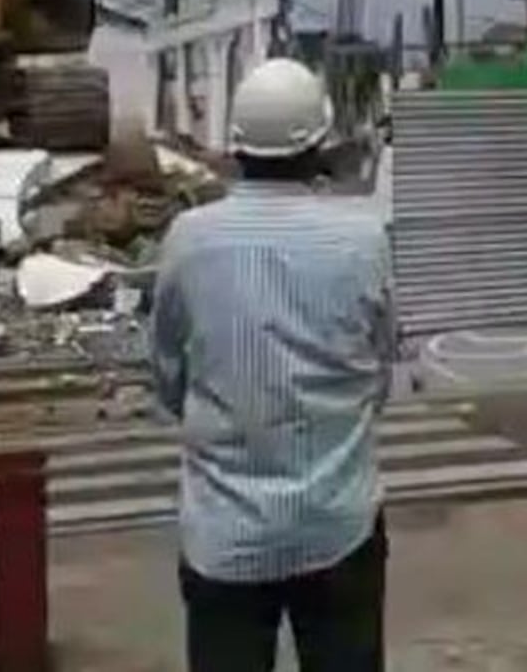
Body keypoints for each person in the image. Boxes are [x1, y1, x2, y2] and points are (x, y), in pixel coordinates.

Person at [151, 57, 396, 672]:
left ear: (235, 144)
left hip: (224, 535)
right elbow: (380, 370)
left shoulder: (188, 238)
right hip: (338, 525)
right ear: (320, 143)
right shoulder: (363, 240)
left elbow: (168, 378)